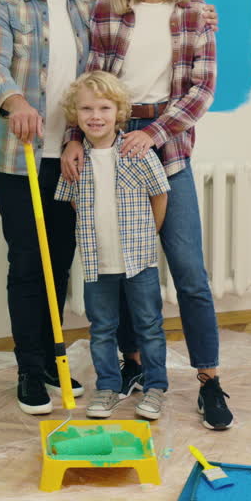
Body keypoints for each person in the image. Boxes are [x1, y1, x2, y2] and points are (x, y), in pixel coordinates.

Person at [61, 0, 234, 430]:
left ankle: (209, 380)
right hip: (110, 145)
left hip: (167, 145)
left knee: (188, 271)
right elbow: (90, 79)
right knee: (120, 263)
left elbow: (200, 92)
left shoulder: (195, 14)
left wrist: (154, 133)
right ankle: (133, 368)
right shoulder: (108, 13)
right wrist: (76, 135)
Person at [0, 0, 95, 415]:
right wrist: (14, 101)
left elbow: (115, 58)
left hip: (71, 158)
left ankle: (52, 357)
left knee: (61, 261)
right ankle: (28, 369)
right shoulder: (2, 3)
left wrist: (200, 14)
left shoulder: (89, 7)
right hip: (17, 159)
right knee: (28, 263)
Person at [55, 72, 170, 420]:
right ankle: (107, 386)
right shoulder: (75, 162)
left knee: (149, 324)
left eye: (104, 107)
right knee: (101, 328)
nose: (95, 116)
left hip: (139, 261)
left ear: (119, 111)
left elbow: (160, 195)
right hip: (97, 263)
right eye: (86, 108)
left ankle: (155, 387)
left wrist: (148, 236)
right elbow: (73, 201)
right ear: (75, 114)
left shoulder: (137, 152)